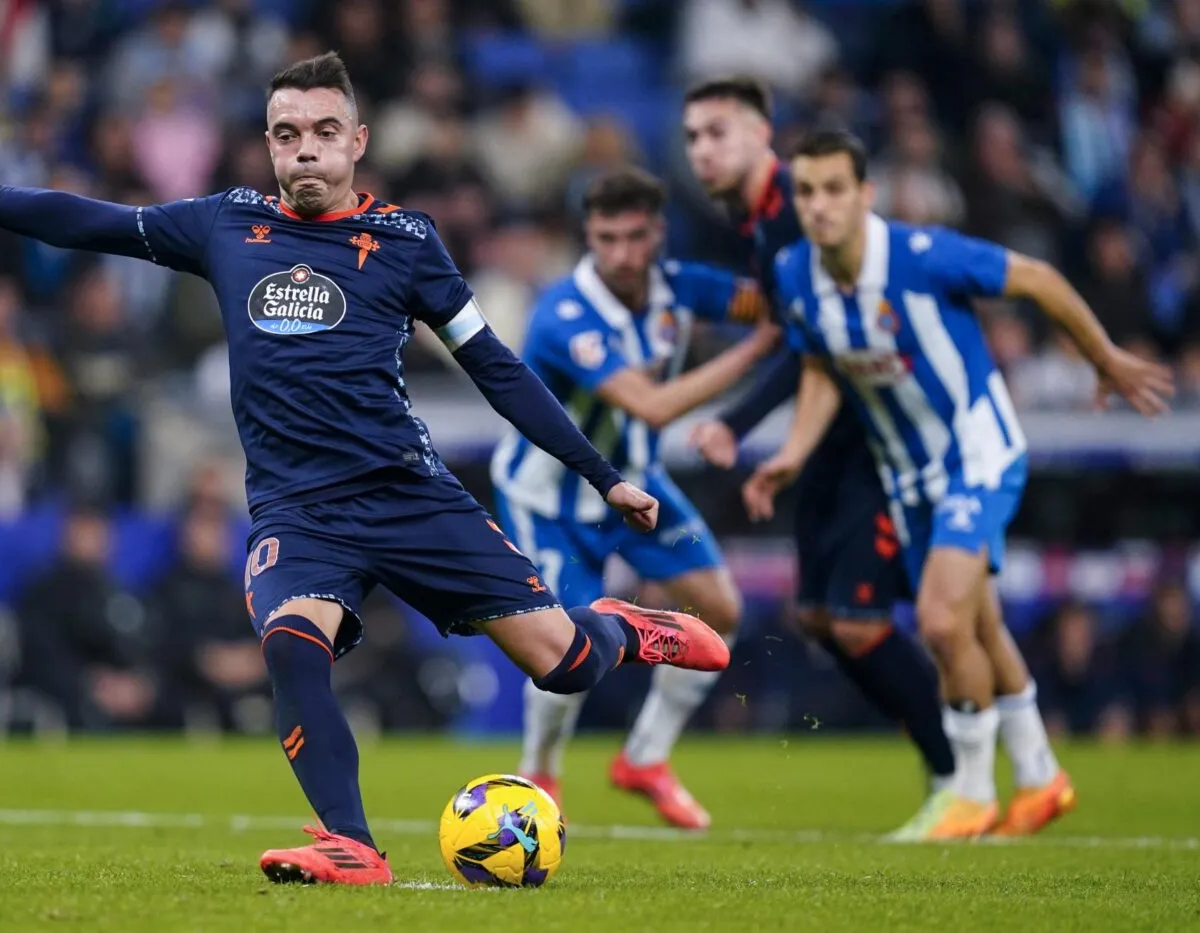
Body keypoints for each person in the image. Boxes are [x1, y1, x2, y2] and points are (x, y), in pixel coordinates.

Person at [0, 52, 731, 884]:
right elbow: (80, 216)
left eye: (324, 129)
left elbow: (496, 368)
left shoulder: (406, 242)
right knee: (290, 642)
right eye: (287, 133)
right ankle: (352, 843)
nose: (305, 146)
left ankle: (623, 626)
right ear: (270, 144)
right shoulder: (224, 224)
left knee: (566, 663)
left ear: (357, 141)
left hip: (406, 492)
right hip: (297, 511)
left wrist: (602, 474)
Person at [745, 128, 1173, 839]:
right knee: (977, 622)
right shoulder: (795, 274)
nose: (818, 205)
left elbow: (1035, 276)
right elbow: (821, 364)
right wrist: (793, 450)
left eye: (833, 190)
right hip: (906, 471)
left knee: (942, 619)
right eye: (806, 192)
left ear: (865, 195)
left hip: (976, 452)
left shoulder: (920, 255)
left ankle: (970, 791)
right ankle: (1039, 777)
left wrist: (1102, 355)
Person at [681, 78, 959, 827]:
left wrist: (736, 422)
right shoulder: (761, 223)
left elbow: (820, 350)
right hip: (831, 443)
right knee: (816, 617)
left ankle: (957, 771)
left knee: (861, 621)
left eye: (718, 133)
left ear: (762, 134)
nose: (701, 151)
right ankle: (947, 744)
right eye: (692, 137)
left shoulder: (796, 211)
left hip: (876, 435)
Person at [493, 166, 779, 829]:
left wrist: (782, 299)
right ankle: (541, 772)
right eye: (605, 238)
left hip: (640, 485)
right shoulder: (566, 315)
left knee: (720, 608)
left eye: (634, 237)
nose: (620, 253)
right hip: (553, 498)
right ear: (588, 237)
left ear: (659, 234)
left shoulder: (682, 289)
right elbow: (650, 404)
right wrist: (759, 349)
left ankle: (645, 757)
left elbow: (765, 301)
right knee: (561, 643)